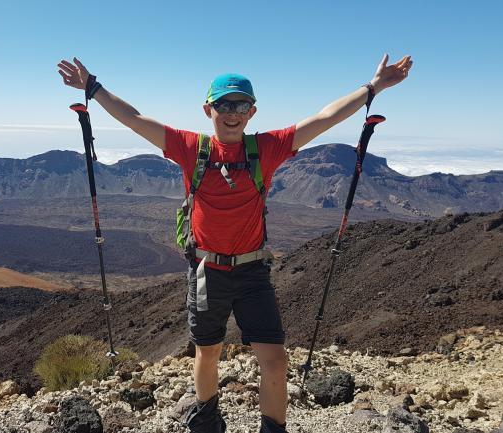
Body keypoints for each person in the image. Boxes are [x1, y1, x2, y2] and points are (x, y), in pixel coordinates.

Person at [57, 54, 412, 433]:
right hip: (207, 271)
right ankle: (207, 423)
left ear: (252, 111)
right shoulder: (191, 148)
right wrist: (93, 87)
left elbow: (324, 118)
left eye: (240, 105)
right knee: (207, 353)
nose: (232, 112)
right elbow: (135, 119)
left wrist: (374, 88)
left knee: (275, 362)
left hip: (252, 272)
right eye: (224, 104)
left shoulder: (267, 149)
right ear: (208, 108)